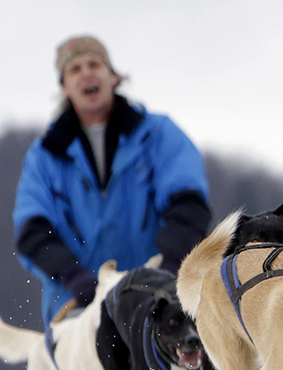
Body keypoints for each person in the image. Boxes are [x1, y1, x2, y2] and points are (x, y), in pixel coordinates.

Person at [13, 35, 211, 326]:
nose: (87, 73)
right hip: (75, 308)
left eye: (95, 64)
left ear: (114, 77)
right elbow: (32, 232)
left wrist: (169, 268)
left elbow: (189, 207)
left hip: (159, 301)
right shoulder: (43, 157)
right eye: (75, 69)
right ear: (64, 88)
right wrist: (72, 275)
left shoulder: (160, 135)